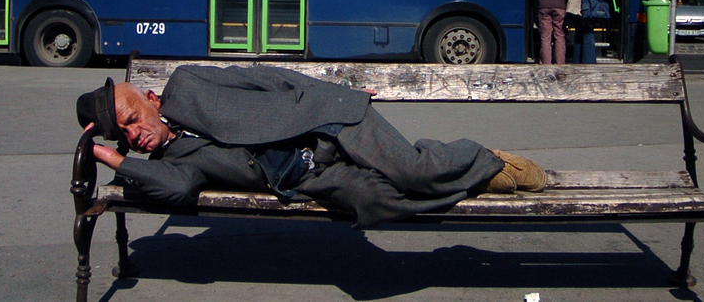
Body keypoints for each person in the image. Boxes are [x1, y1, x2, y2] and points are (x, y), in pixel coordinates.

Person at [76, 64, 547, 228]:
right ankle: (472, 177)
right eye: (126, 138)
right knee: (379, 202)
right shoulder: (171, 161)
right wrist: (110, 156)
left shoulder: (186, 84)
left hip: (326, 121)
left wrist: (335, 91)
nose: (134, 135)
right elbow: (177, 192)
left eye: (132, 120)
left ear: (151, 99)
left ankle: (487, 159)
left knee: (414, 174)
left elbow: (266, 78)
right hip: (307, 175)